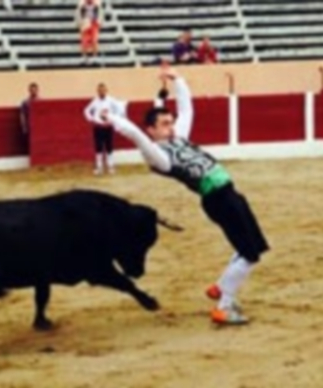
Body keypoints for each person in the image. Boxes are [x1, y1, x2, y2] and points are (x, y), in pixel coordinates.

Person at [101, 65, 269, 325]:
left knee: (253, 245)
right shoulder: (159, 156)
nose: (171, 127)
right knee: (250, 254)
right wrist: (112, 119)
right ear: (152, 130)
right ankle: (224, 306)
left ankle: (221, 286)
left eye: (170, 122)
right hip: (219, 199)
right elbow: (135, 134)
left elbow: (187, 109)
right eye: (164, 124)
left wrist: (177, 79)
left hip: (230, 195)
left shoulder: (178, 139)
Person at [84, 83, 124, 175]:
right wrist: (92, 119)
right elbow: (86, 110)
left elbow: (120, 109)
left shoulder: (111, 100)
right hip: (98, 127)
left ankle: (110, 166)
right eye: (99, 90)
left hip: (108, 126)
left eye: (103, 90)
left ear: (106, 90)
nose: (101, 92)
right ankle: (99, 167)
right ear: (97, 91)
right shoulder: (95, 101)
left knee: (109, 147)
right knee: (98, 148)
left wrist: (114, 119)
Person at [76, 0, 103, 65]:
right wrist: (79, 23)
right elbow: (78, 13)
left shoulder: (97, 2)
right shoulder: (81, 3)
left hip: (94, 23)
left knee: (94, 40)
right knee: (84, 42)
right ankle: (84, 59)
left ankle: (94, 58)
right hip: (85, 23)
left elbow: (100, 12)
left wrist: (99, 22)